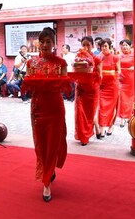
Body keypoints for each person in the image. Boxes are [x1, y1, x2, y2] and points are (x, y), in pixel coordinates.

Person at [23, 27, 68, 202]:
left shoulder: (61, 63)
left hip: (55, 107)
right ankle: (48, 170)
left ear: (54, 43)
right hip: (38, 106)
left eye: (48, 41)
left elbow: (64, 87)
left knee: (53, 142)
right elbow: (28, 82)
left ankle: (46, 181)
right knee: (41, 143)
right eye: (42, 41)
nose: (45, 45)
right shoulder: (31, 63)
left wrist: (51, 84)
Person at [74, 36, 102, 145]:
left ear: (92, 46)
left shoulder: (97, 58)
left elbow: (100, 75)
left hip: (92, 89)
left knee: (89, 114)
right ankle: (83, 137)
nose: (85, 47)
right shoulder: (78, 58)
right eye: (83, 45)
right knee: (80, 114)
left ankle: (92, 131)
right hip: (80, 89)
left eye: (88, 45)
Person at [97, 38, 120, 136]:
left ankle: (111, 126)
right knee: (101, 107)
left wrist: (111, 73)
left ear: (110, 46)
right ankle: (102, 128)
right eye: (102, 46)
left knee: (112, 107)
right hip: (102, 86)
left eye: (105, 46)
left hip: (112, 86)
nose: (104, 48)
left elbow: (118, 71)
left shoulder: (115, 57)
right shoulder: (98, 57)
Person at [118, 39, 134, 127]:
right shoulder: (119, 56)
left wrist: (134, 67)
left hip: (131, 79)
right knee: (122, 99)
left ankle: (130, 116)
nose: (124, 47)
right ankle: (123, 118)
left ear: (130, 46)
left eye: (126, 45)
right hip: (121, 79)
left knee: (131, 98)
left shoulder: (134, 55)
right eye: (123, 45)